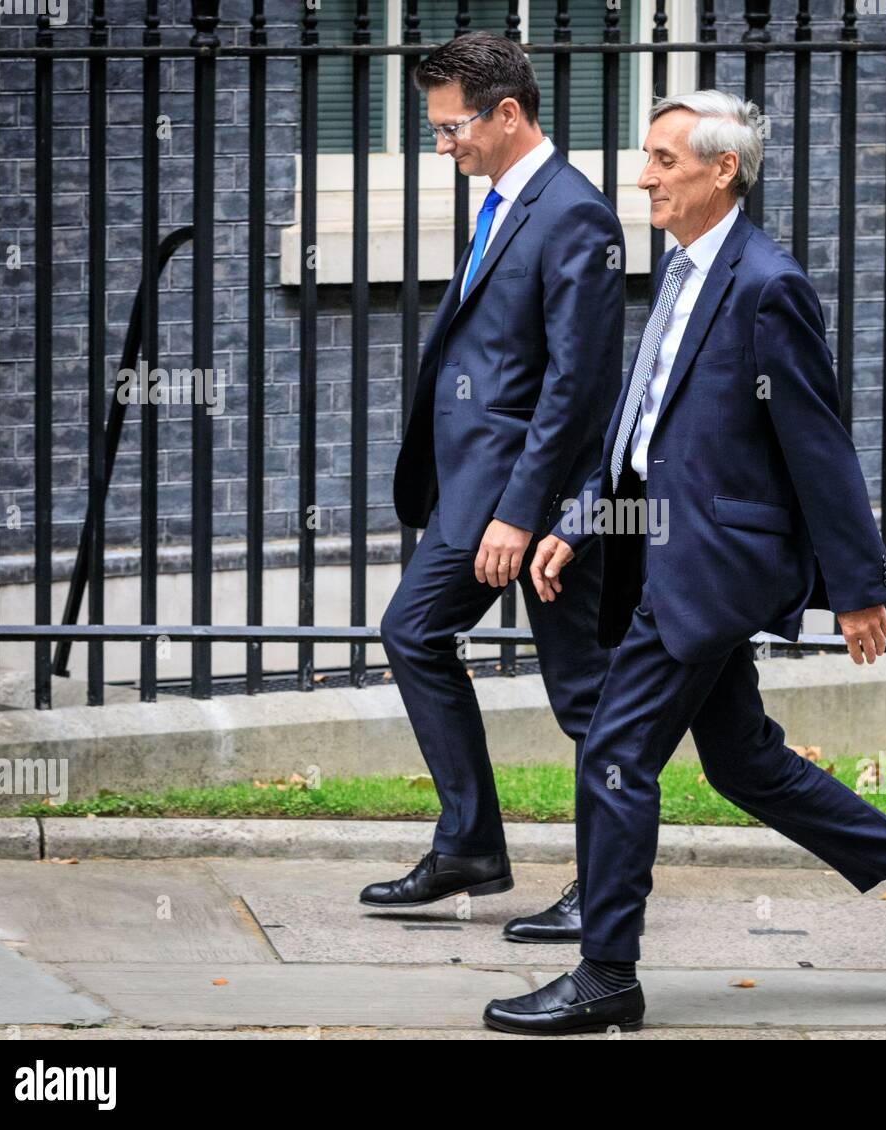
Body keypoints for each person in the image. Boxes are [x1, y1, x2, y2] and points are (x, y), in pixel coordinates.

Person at [481, 91, 886, 1035]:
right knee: (744, 763)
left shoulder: (765, 283)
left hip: (711, 566)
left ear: (724, 171)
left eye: (665, 160)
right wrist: (582, 524)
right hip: (659, 551)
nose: (643, 177)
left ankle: (606, 973)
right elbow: (644, 436)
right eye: (646, 157)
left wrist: (860, 587)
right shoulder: (680, 273)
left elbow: (817, 443)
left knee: (619, 751)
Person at [364, 33, 625, 939]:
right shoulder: (506, 202)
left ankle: (601, 894)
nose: (443, 145)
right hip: (477, 495)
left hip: (539, 503)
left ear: (508, 113)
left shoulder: (573, 215)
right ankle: (470, 842)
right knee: (413, 632)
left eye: (451, 128)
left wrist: (519, 513)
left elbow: (576, 386)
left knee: (586, 699)